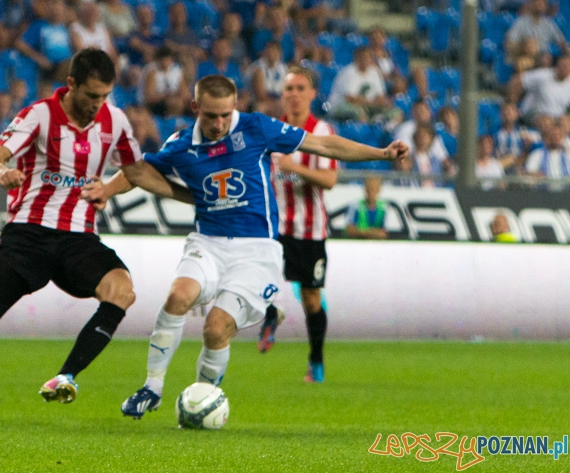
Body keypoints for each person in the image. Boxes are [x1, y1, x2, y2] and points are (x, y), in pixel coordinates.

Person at [82, 74, 408, 419]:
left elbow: (323, 146)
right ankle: (152, 387)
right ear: (195, 108)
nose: (219, 124)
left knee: (216, 328)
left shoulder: (256, 128)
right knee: (178, 297)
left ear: (235, 106)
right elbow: (138, 171)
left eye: (225, 114)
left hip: (256, 250)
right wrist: (106, 189)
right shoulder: (180, 144)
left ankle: (202, 399)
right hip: (208, 241)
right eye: (210, 116)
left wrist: (382, 153)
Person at [0, 48, 193, 424]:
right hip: (28, 236)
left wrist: (189, 197)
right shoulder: (38, 115)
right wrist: (1, 171)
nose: (97, 104)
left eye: (104, 96)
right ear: (71, 85)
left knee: (122, 291)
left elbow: (137, 172)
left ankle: (66, 376)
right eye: (91, 96)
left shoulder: (114, 122)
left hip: (78, 239)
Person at [256, 67, 338, 388]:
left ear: (312, 93)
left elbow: (330, 180)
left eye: (300, 87)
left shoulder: (321, 132)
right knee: (258, 279)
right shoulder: (273, 131)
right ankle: (271, 315)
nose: (293, 93)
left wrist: (295, 168)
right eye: (288, 88)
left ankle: (316, 359)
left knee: (311, 299)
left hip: (309, 230)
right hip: (275, 229)